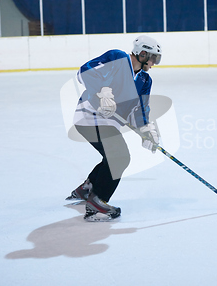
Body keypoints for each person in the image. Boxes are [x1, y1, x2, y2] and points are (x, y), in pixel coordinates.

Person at [66, 35, 162, 222]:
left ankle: (88, 188)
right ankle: (96, 202)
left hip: (108, 123)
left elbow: (140, 109)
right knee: (119, 157)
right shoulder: (117, 58)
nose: (154, 63)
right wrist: (102, 91)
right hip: (89, 117)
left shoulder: (145, 80)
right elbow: (84, 71)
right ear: (142, 54)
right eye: (153, 58)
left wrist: (146, 130)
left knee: (113, 156)